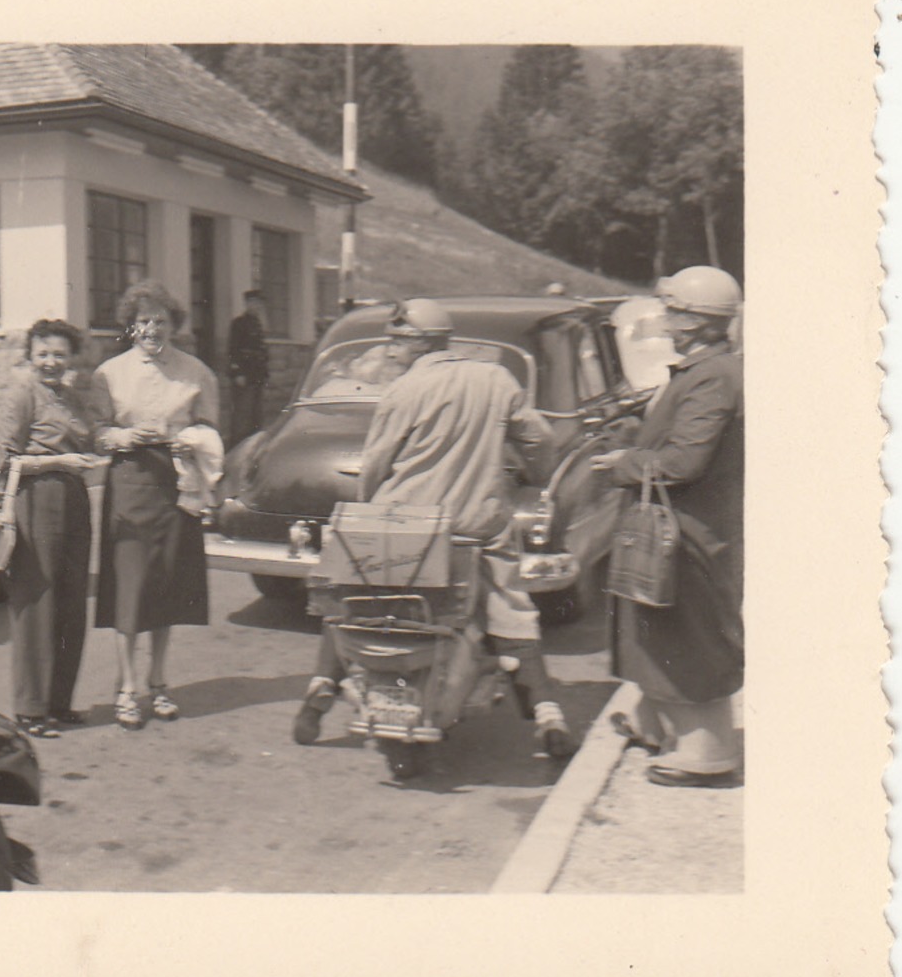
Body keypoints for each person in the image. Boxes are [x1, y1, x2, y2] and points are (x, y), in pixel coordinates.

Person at [292, 298, 578, 759]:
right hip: (476, 525)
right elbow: (539, 438)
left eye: (398, 342)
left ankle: (322, 686)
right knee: (510, 606)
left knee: (355, 595)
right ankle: (547, 713)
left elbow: (376, 465)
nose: (390, 351)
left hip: (407, 526)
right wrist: (532, 472)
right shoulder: (496, 379)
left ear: (422, 343)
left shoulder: (404, 392)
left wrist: (371, 509)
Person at [588, 265, 744, 788]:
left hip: (692, 532)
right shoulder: (706, 370)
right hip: (682, 526)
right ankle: (652, 723)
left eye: (675, 309)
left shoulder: (714, 376)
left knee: (687, 631)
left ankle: (707, 753)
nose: (666, 317)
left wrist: (623, 464)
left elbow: (684, 462)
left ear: (699, 322)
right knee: (657, 626)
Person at [91, 281, 220, 731]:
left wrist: (190, 442)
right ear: (130, 326)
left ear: (173, 326)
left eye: (161, 321)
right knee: (130, 586)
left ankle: (159, 682)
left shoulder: (197, 372)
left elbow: (211, 430)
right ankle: (127, 687)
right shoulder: (108, 374)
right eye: (143, 321)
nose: (152, 329)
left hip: (176, 482)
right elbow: (97, 431)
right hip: (130, 480)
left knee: (165, 582)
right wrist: (123, 437)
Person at [0, 319, 105, 739]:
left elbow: (89, 443)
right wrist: (59, 463)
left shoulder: (72, 398)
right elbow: (4, 460)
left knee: (72, 603)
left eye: (59, 354)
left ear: (71, 358)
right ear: (30, 357)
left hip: (74, 501)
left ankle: (59, 701)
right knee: (36, 603)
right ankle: (30, 709)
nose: (51, 362)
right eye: (43, 354)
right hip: (35, 500)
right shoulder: (22, 396)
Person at [226, 289, 271, 446]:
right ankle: (236, 448)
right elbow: (233, 349)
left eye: (259, 303)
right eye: (253, 303)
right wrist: (237, 372)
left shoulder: (258, 324)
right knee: (242, 415)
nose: (257, 306)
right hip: (244, 375)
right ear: (247, 304)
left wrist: (265, 373)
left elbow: (261, 351)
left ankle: (252, 447)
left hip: (257, 375)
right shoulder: (239, 323)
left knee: (256, 415)